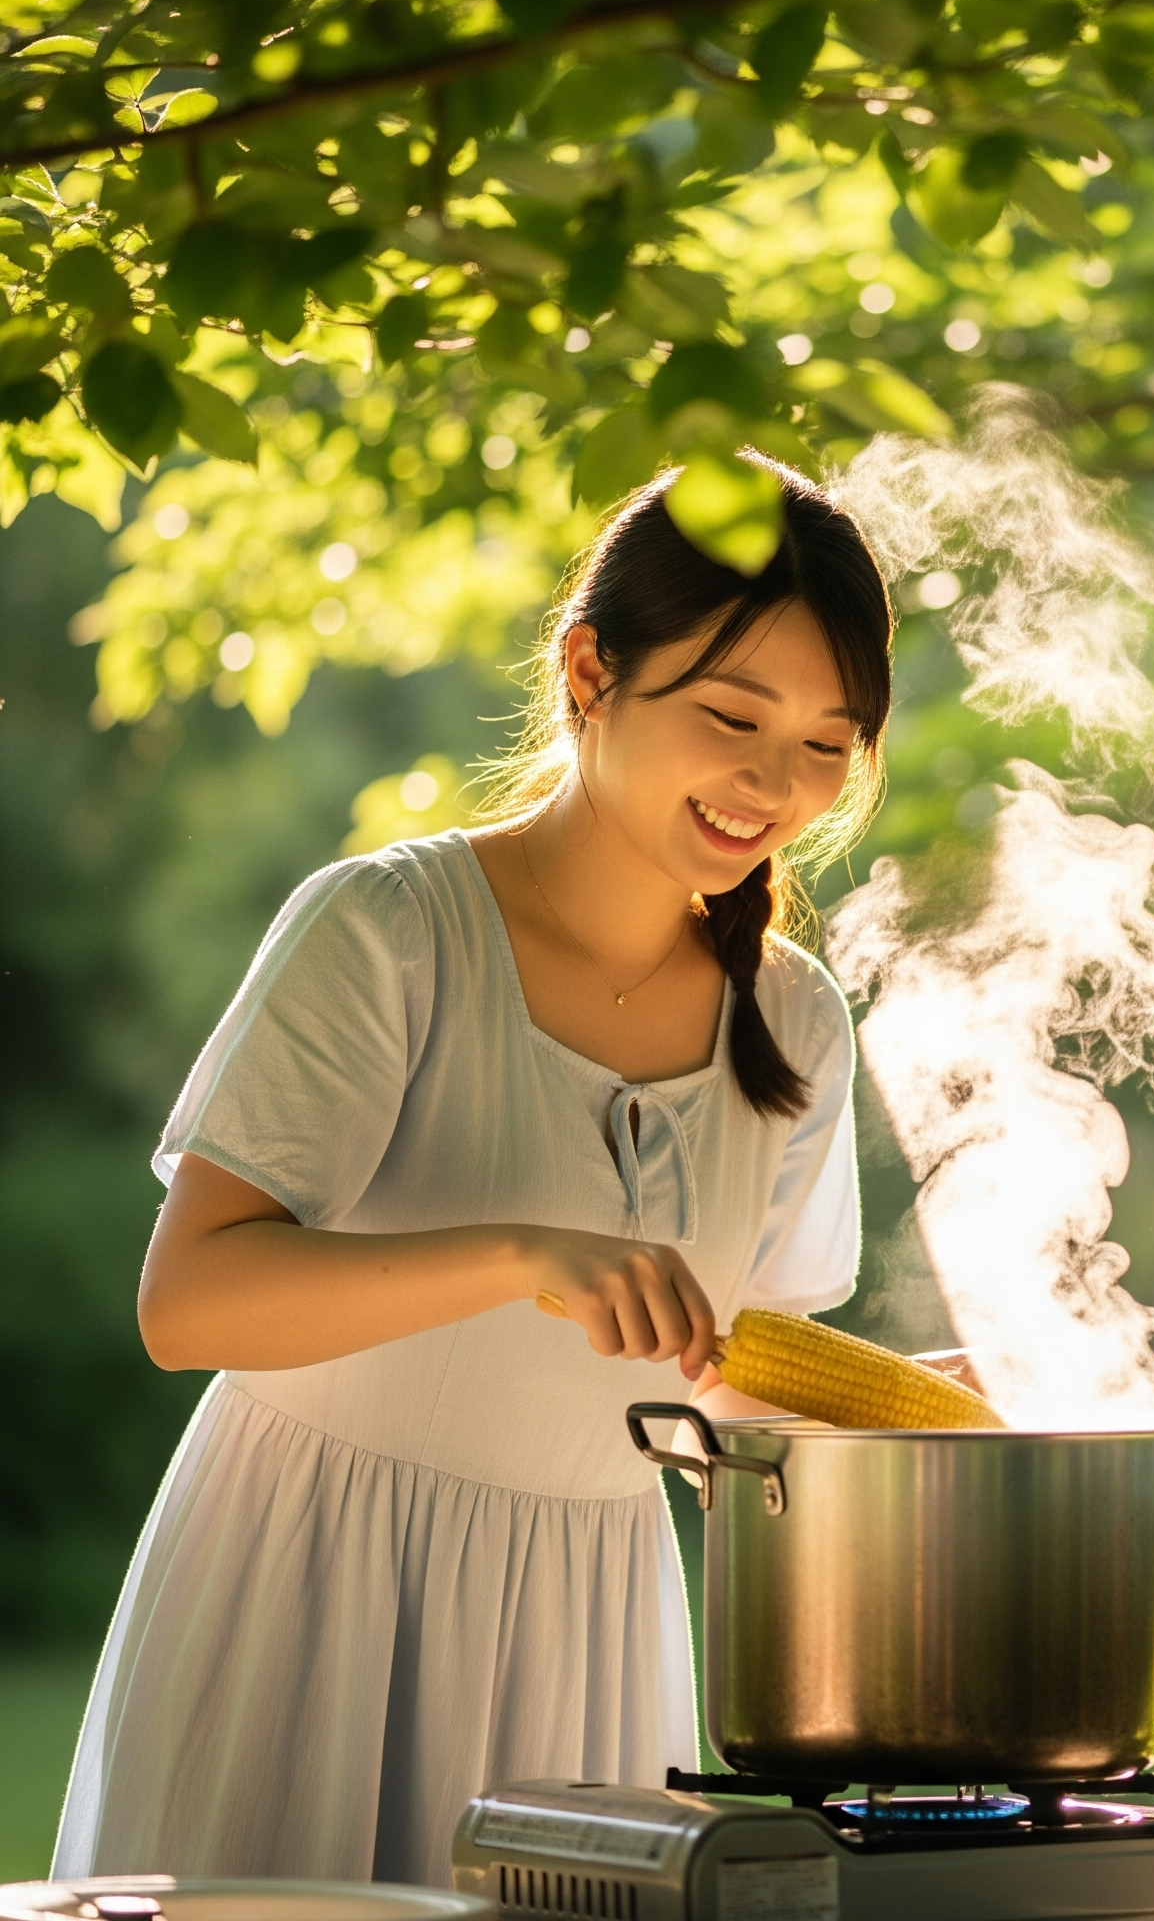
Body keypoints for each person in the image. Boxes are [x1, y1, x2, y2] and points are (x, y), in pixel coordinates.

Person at [54, 459, 895, 1886]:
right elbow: (185, 1304)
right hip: (305, 1591)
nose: (775, 784)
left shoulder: (798, 1016)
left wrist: (944, 1430)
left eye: (828, 743)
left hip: (589, 1623)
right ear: (590, 673)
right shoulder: (389, 931)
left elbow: (722, 1373)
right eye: (732, 718)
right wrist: (522, 1254)